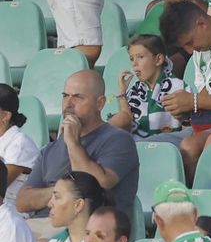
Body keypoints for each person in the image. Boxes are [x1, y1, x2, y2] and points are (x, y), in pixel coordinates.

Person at [17, 70, 137, 226]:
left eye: (78, 97)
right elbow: (23, 201)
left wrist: (73, 143)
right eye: (65, 96)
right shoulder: (51, 149)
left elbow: (98, 185)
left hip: (91, 231)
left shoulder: (119, 140)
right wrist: (61, 193)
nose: (68, 104)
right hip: (43, 226)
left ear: (100, 103)